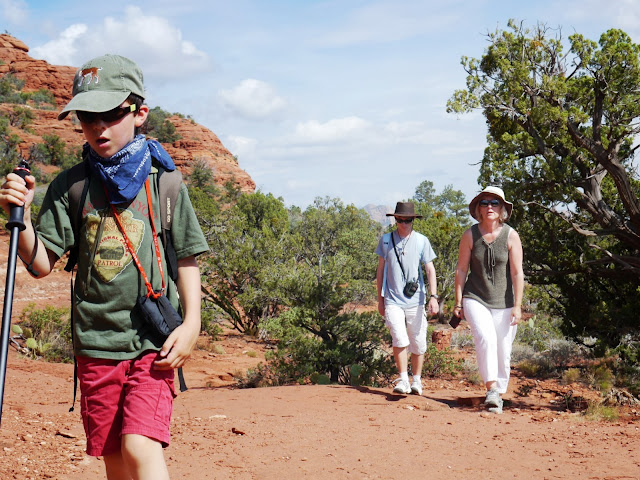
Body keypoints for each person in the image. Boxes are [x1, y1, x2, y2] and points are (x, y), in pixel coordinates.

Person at [0, 54, 208, 479]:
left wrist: (192, 325)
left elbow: (185, 256)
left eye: (110, 114)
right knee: (114, 459)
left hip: (154, 343)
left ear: (139, 112)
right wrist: (16, 215)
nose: (98, 127)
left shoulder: (164, 181)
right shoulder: (71, 185)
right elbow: (41, 263)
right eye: (86, 117)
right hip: (96, 344)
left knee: (140, 446)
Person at [453, 186, 524, 412]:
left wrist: (518, 306)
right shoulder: (470, 235)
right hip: (475, 297)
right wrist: (457, 302)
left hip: (505, 301)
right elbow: (461, 270)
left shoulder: (511, 236)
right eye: (485, 203)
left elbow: (517, 273)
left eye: (495, 203)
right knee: (485, 338)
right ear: (478, 209)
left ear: (502, 208)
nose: (490, 207)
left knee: (503, 347)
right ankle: (491, 390)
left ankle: (499, 392)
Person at [376, 201, 439, 396]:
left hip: (416, 300)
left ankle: (417, 381)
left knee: (418, 341)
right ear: (395, 219)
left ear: (413, 220)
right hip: (393, 299)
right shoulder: (386, 240)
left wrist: (433, 296)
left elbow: (430, 269)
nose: (404, 224)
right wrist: (380, 299)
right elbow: (380, 270)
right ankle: (403, 379)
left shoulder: (421, 241)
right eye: (401, 220)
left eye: (408, 220)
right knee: (399, 337)